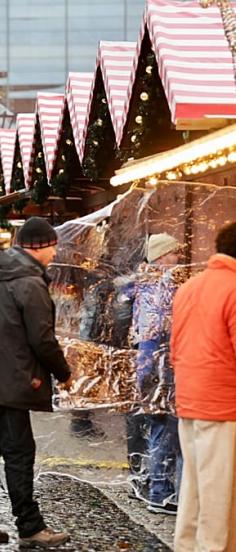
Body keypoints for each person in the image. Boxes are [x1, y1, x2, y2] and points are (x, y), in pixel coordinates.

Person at [0, 217, 71, 547]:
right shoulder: (30, 283)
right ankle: (30, 528)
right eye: (52, 246)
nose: (54, 252)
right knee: (19, 454)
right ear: (38, 246)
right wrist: (64, 373)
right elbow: (42, 339)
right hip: (11, 383)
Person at [171, 222, 236, 552]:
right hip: (224, 404)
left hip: (189, 399)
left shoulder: (189, 287)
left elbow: (175, 347)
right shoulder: (234, 288)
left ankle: (186, 546)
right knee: (219, 492)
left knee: (195, 486)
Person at [127, 233, 183, 514]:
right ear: (161, 257)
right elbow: (158, 329)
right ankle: (160, 494)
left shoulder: (143, 282)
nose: (179, 258)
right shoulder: (160, 285)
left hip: (148, 366)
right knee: (164, 430)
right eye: (174, 253)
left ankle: (149, 483)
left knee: (154, 429)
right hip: (158, 367)